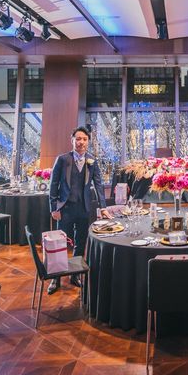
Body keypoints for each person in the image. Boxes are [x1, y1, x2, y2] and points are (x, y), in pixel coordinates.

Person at [48, 125, 105, 294]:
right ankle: (56, 278)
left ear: (88, 142)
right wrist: (54, 207)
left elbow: (99, 185)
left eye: (84, 139)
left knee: (80, 242)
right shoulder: (62, 159)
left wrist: (103, 207)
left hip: (84, 208)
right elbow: (53, 184)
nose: (81, 142)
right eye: (78, 139)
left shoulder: (92, 161)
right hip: (65, 208)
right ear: (72, 140)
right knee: (60, 242)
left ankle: (75, 275)